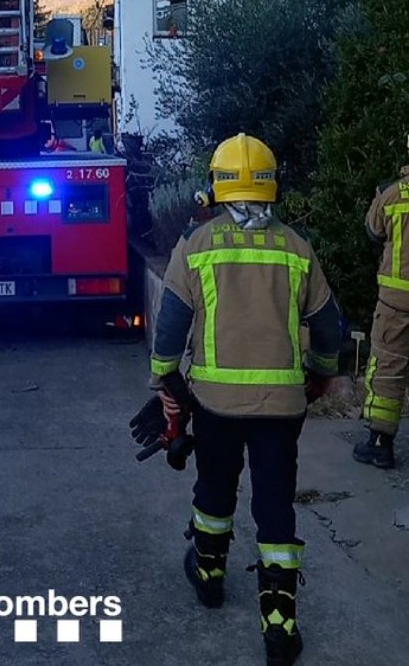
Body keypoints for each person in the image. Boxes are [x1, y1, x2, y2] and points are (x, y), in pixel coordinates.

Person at [142, 133, 341, 665]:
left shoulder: (197, 245)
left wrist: (167, 384)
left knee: (215, 487)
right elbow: (329, 328)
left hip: (214, 405)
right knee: (275, 504)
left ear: (216, 187)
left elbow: (171, 326)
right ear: (272, 186)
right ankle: (279, 626)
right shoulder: (297, 248)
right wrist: (321, 376)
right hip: (282, 407)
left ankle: (208, 574)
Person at [353, 144, 409, 470]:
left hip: (395, 303)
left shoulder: (393, 195)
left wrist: (379, 198)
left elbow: (373, 231)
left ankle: (379, 444)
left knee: (387, 369)